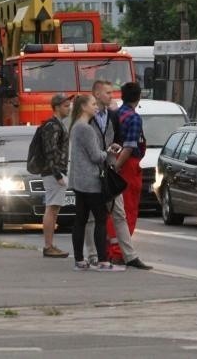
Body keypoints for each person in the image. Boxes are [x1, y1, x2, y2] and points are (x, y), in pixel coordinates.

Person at [84, 80, 153, 270]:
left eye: (113, 92)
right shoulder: (88, 118)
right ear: (97, 95)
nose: (111, 96)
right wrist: (116, 163)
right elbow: (129, 146)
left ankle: (127, 255)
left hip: (111, 167)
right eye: (107, 92)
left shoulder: (115, 115)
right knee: (94, 216)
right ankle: (98, 254)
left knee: (118, 213)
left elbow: (117, 141)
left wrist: (114, 161)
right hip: (101, 169)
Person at [68, 94, 124, 271]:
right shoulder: (86, 129)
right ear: (84, 107)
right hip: (91, 180)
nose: (96, 107)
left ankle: (79, 259)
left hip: (78, 180)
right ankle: (103, 260)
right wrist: (108, 152)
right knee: (101, 218)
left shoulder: (75, 127)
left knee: (80, 219)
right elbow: (95, 156)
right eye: (92, 104)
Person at [106, 82, 146, 264]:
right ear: (138, 98)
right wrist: (119, 167)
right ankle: (119, 252)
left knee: (113, 209)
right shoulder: (134, 118)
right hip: (128, 166)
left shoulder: (115, 114)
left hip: (114, 159)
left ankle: (109, 248)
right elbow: (130, 147)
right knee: (128, 209)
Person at [41, 93, 73, 258]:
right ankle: (48, 246)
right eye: (66, 106)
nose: (69, 108)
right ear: (57, 107)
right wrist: (58, 174)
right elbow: (50, 151)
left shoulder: (59, 124)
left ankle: (50, 244)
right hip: (54, 172)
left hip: (56, 171)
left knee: (54, 208)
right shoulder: (53, 126)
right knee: (52, 208)